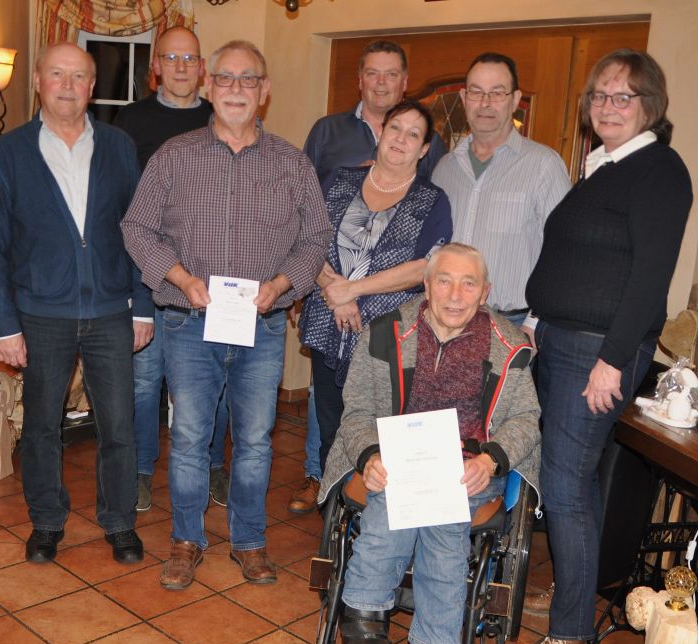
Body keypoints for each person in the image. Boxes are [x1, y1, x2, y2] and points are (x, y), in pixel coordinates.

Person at [503, 49, 693, 644]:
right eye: (600, 97)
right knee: (565, 480)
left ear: (650, 107)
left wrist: (613, 360)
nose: (607, 106)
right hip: (559, 337)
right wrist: (535, 321)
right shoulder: (604, 168)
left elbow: (649, 277)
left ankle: (571, 641)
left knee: (566, 485)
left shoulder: (659, 170)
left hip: (596, 350)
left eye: (622, 97)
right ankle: (571, 596)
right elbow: (573, 259)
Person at [122, 40, 329, 590]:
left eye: (249, 80)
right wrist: (182, 278)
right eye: (227, 79)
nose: (236, 89)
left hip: (260, 327)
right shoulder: (174, 156)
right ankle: (186, 540)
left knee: (256, 439)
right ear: (210, 87)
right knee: (189, 436)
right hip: (189, 324)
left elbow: (316, 238)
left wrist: (282, 285)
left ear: (264, 92)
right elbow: (136, 227)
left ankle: (249, 541)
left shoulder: (292, 162)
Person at [319, 243, 541, 644]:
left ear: (484, 292)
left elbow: (526, 420)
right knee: (394, 504)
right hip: (396, 455)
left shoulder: (509, 346)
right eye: (445, 281)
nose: (455, 295)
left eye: (468, 284)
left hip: (469, 467)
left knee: (443, 514)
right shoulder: (385, 332)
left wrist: (490, 461)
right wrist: (370, 455)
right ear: (426, 286)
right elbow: (359, 410)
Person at [0, 43, 150, 566]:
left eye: (79, 76)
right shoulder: (8, 154)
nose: (68, 85)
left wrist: (143, 305)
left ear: (92, 87)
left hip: (112, 314)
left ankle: (119, 522)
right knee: (42, 428)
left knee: (119, 426)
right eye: (57, 74)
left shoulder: (120, 147)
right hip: (40, 316)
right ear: (37, 80)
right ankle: (47, 522)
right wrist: (5, 325)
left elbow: (141, 233)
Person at [290, 39, 447, 513]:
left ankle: (373, 517)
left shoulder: (431, 200)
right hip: (327, 321)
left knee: (379, 430)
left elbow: (425, 267)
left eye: (412, 135)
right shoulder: (338, 181)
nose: (399, 138)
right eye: (394, 128)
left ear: (424, 150)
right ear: (380, 133)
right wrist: (333, 292)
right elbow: (305, 238)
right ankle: (334, 512)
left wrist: (353, 289)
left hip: (386, 337)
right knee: (331, 421)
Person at [112, 26, 230, 513]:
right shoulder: (128, 121)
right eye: (172, 58)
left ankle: (215, 467)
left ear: (203, 69)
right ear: (155, 66)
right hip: (149, 278)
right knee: (144, 381)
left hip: (212, 287)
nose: (182, 67)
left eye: (191, 58)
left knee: (215, 383)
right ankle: (141, 471)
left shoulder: (221, 117)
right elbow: (120, 204)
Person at [430, 53, 569, 337]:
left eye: (497, 93)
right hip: (444, 323)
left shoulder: (544, 165)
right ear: (464, 97)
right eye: (477, 92)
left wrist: (534, 321)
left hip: (512, 326)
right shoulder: (444, 168)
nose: (485, 103)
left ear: (515, 99)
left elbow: (565, 250)